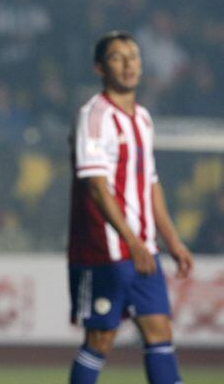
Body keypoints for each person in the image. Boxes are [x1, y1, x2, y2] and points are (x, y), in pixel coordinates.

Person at [67, 31, 194, 384]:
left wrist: (172, 240)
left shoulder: (143, 118)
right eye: (117, 58)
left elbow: (150, 184)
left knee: (159, 331)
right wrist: (132, 241)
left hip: (143, 249)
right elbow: (96, 187)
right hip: (103, 249)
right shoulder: (94, 116)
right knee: (101, 338)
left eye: (133, 57)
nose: (128, 65)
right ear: (99, 67)